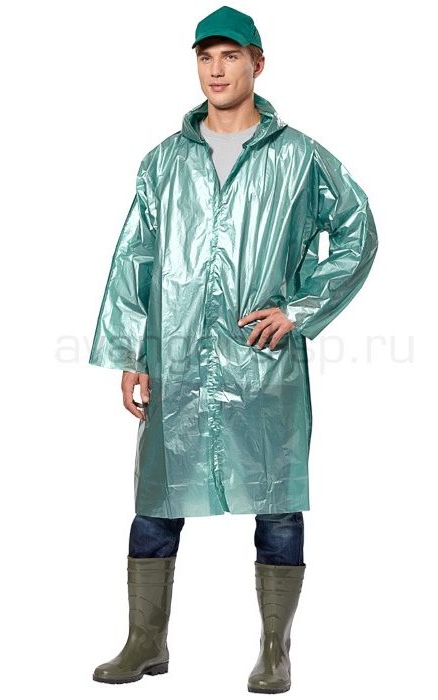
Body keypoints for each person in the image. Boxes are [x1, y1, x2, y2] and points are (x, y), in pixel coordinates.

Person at [88, 5, 378, 694]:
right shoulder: (164, 162)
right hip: (176, 356)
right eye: (205, 57)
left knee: (277, 502)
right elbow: (134, 259)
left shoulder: (299, 157)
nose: (216, 70)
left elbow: (358, 231)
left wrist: (299, 310)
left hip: (262, 361)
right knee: (155, 501)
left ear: (257, 63)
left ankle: (275, 651)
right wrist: (131, 353)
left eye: (230, 56)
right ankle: (145, 642)